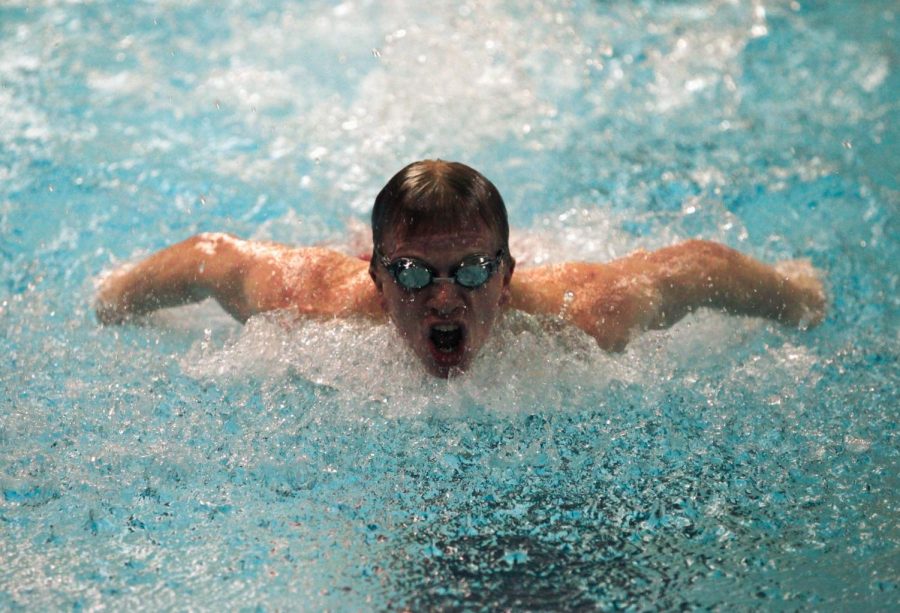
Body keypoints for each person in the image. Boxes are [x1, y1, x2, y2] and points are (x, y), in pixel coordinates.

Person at [95, 160, 825, 378]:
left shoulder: (582, 314)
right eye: (413, 274)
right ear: (375, 279)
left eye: (473, 272)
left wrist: (798, 296)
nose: (444, 296)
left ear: (509, 276)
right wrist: (113, 298)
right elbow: (209, 259)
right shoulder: (316, 302)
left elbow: (697, 266)